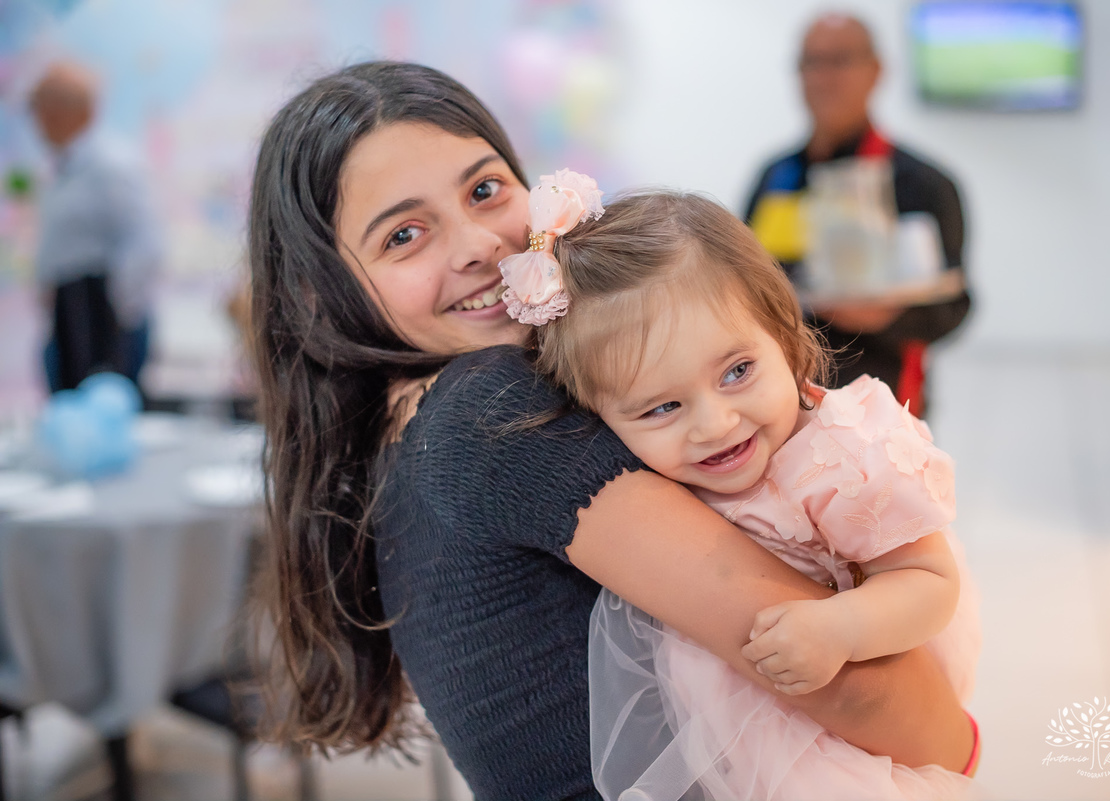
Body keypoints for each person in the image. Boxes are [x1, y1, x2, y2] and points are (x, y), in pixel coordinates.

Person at [247, 62, 978, 801]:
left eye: (484, 190)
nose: (479, 245)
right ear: (321, 290)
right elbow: (844, 683)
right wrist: (962, 747)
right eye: (404, 234)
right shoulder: (488, 411)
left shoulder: (408, 421)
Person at [502, 176, 981, 799]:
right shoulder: (639, 475)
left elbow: (930, 583)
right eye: (661, 407)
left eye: (737, 371)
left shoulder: (841, 458)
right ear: (599, 418)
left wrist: (841, 627)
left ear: (782, 333)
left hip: (836, 741)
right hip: (725, 739)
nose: (715, 424)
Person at [745, 13, 969, 416]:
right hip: (777, 405)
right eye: (811, 62)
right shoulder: (775, 177)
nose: (823, 77)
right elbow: (740, 280)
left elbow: (955, 305)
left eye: (840, 60)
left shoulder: (922, 184)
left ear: (876, 70)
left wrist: (886, 316)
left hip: (883, 404)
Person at [29, 61, 161, 394]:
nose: (36, 123)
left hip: (99, 314)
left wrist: (116, 317)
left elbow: (143, 242)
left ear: (61, 111)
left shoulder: (111, 164)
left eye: (41, 110)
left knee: (101, 409)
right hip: (71, 309)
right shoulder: (64, 166)